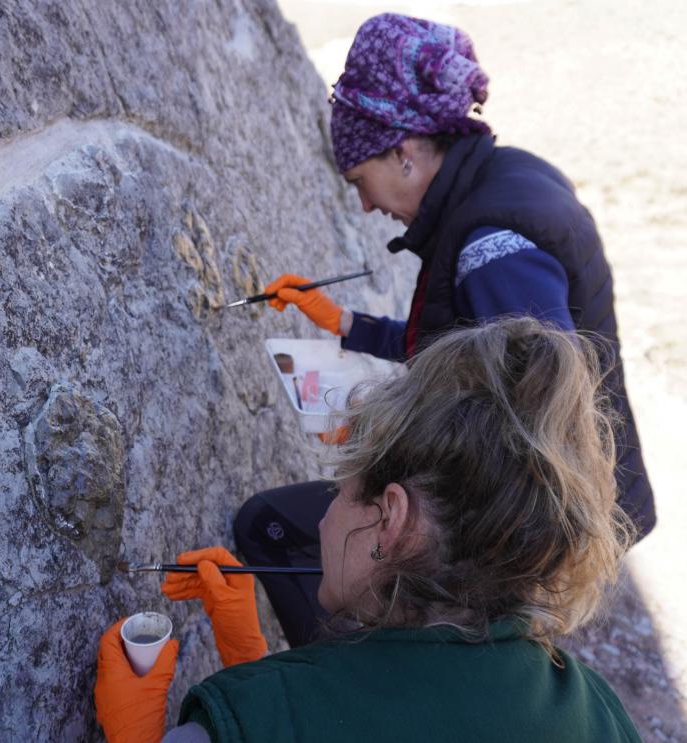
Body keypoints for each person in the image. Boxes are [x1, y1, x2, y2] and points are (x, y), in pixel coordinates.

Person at [235, 12, 654, 647]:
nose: (365, 205)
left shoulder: (494, 243)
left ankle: (356, 693)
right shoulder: (504, 178)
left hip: (522, 528)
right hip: (529, 508)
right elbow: (470, 345)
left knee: (274, 526)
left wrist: (385, 435)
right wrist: (348, 325)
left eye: (359, 181)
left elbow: (532, 426)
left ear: (403, 153)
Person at [95, 319, 641, 742]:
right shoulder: (601, 710)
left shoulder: (249, 719)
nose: (328, 515)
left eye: (341, 490)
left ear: (392, 519)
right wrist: (255, 661)